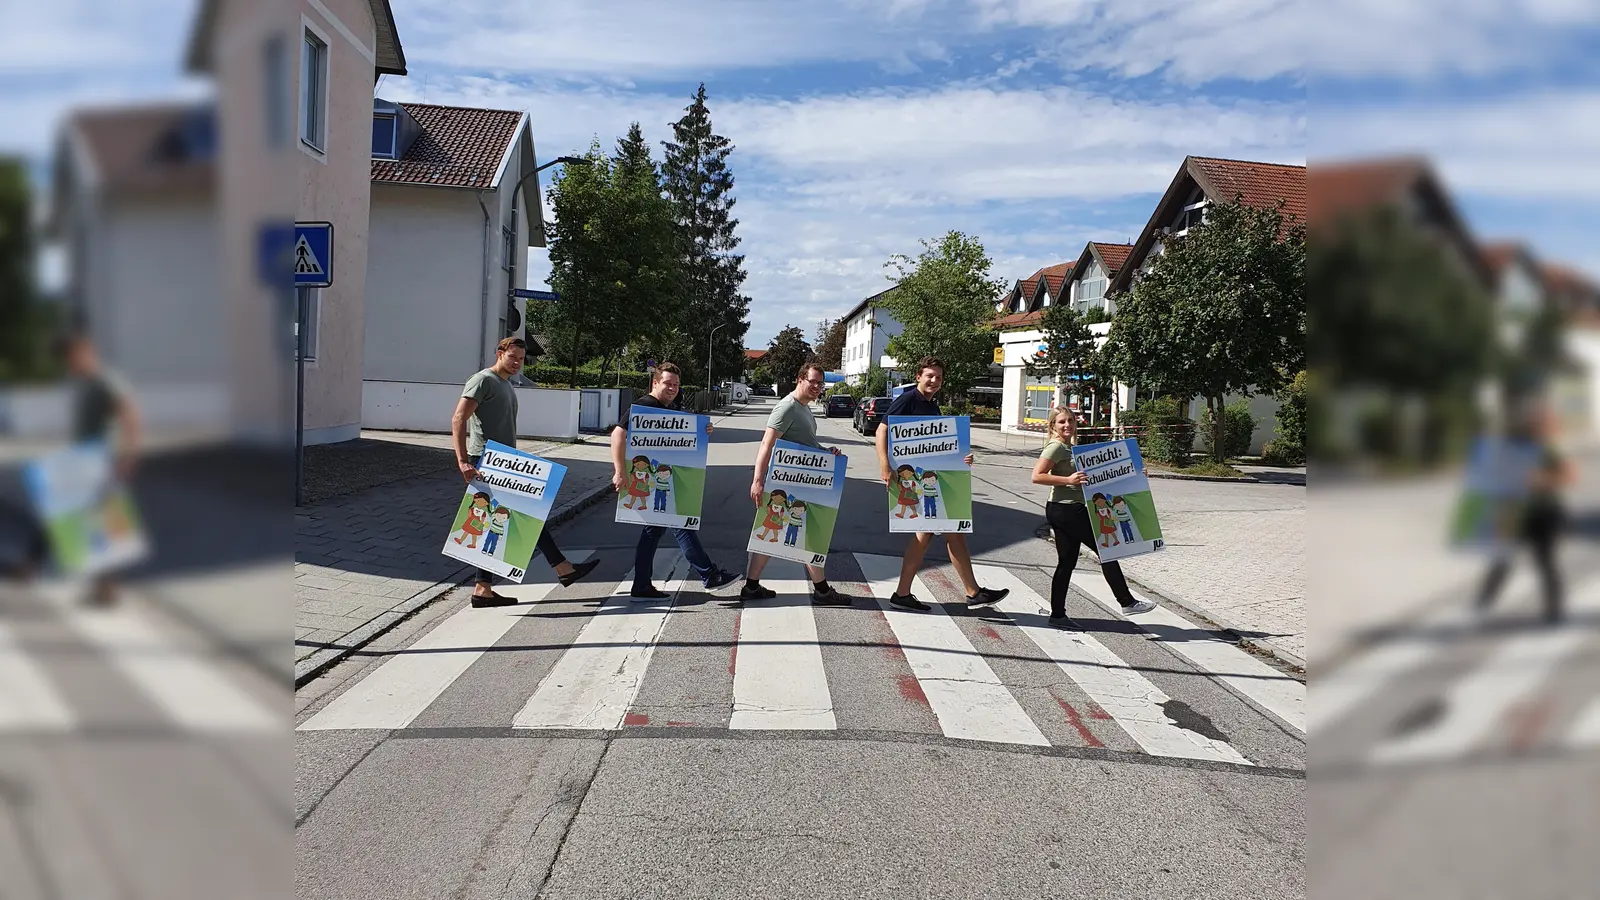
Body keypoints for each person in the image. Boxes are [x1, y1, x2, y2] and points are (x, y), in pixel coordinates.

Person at [452, 337, 599, 608]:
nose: (518, 362)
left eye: (521, 358)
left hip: (504, 461)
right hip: (486, 461)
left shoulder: (505, 384)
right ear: (499, 354)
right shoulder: (483, 380)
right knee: (525, 517)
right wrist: (463, 461)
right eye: (513, 357)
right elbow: (459, 418)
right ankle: (562, 568)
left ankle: (484, 589)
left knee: (511, 520)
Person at [873, 356, 1008, 611]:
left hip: (931, 481)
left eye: (939, 377)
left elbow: (936, 448)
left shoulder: (932, 405)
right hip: (915, 481)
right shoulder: (909, 400)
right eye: (930, 376)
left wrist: (961, 457)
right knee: (943, 534)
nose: (935, 381)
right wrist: (884, 466)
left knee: (936, 535)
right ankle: (970, 592)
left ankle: (909, 594)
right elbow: (882, 430)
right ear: (918, 377)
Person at [611, 362, 739, 599]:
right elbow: (618, 433)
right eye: (668, 384)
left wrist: (702, 431)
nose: (673, 388)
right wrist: (619, 471)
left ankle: (641, 585)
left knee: (652, 533)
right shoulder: (645, 406)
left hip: (662, 481)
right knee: (681, 524)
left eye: (676, 385)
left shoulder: (670, 405)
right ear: (655, 383)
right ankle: (708, 574)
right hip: (650, 481)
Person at [1031, 407, 1156, 629]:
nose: (1067, 425)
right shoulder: (1057, 446)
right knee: (1107, 551)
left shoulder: (1071, 448)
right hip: (1068, 510)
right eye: (1061, 422)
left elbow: (1102, 474)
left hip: (1063, 509)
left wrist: (1135, 472)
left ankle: (1057, 615)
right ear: (1053, 426)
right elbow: (1037, 476)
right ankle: (1126, 602)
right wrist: (1068, 480)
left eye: (1070, 420)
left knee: (1066, 563)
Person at [740, 362, 850, 605]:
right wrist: (758, 481)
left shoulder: (804, 407)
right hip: (789, 482)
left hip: (803, 480)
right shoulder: (787, 407)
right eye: (813, 382)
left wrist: (825, 451)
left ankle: (751, 586)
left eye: (820, 383)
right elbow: (766, 444)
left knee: (770, 533)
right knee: (810, 532)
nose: (818, 387)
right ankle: (822, 591)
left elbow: (805, 443)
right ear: (800, 379)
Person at [1477, 406, 1573, 624]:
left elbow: (1569, 476)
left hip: (1546, 512)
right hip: (1516, 510)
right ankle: (1483, 600)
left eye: (1543, 425)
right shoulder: (1514, 449)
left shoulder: (1551, 450)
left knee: (1545, 562)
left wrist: (1542, 481)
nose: (1538, 429)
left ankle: (1554, 611)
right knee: (1502, 557)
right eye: (1535, 424)